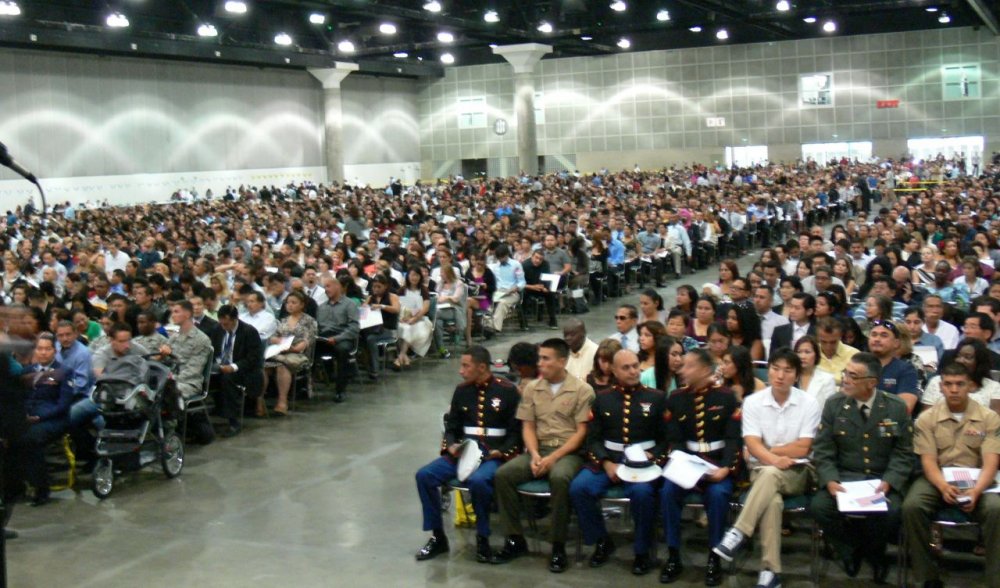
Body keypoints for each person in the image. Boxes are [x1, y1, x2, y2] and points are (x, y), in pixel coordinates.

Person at [713, 348, 822, 588]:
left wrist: (770, 453)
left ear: (796, 375)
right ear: (768, 370)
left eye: (787, 370)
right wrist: (775, 457)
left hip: (798, 471)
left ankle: (739, 531)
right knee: (772, 501)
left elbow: (803, 448)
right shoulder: (753, 401)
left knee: (771, 474)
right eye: (775, 368)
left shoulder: (809, 403)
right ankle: (770, 571)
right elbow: (752, 443)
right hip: (762, 471)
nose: (780, 375)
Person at [492, 338, 595, 573]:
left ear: (562, 361)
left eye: (546, 359)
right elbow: (527, 426)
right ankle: (514, 539)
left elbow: (581, 433)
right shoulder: (532, 388)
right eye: (539, 358)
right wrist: (536, 454)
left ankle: (557, 545)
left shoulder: (581, 390)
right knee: (504, 475)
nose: (540, 363)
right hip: (539, 449)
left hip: (568, 452)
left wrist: (553, 457)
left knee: (559, 478)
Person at [810, 352, 913, 583]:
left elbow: (903, 452)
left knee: (893, 511)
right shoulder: (834, 404)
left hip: (881, 478)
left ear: (872, 382)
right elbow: (824, 449)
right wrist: (830, 480)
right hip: (845, 478)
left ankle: (876, 554)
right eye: (845, 372)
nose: (845, 379)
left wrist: (890, 480)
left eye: (853, 376)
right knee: (819, 507)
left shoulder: (895, 408)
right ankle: (849, 550)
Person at [414, 346, 521, 563]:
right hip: (463, 453)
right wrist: (451, 445)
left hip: (492, 454)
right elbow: (452, 426)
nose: (461, 371)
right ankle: (438, 536)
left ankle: (483, 537)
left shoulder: (507, 391)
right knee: (424, 475)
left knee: (479, 482)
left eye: (466, 366)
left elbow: (515, 432)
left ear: (482, 367)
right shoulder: (462, 391)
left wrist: (502, 451)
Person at [902, 362, 1000, 588]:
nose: (954, 389)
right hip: (937, 477)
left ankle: (995, 580)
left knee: (996, 509)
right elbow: (927, 461)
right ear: (941, 387)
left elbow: (991, 462)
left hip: (977, 478)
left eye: (960, 384)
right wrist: (943, 486)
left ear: (971, 387)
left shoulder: (989, 418)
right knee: (912, 506)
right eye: (948, 384)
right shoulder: (927, 418)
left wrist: (976, 490)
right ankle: (927, 576)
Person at [569, 349, 667, 576]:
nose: (633, 371)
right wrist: (605, 462)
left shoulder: (657, 398)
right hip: (609, 460)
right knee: (579, 488)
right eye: (626, 367)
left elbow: (667, 438)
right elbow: (592, 438)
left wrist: (654, 455)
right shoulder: (602, 398)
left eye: (635, 366)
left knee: (643, 494)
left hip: (642, 463)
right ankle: (601, 540)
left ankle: (642, 550)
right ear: (613, 370)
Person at [660, 349, 742, 586]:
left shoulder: (727, 398)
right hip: (687, 462)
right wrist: (685, 464)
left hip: (717, 462)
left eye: (688, 366)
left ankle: (714, 557)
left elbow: (734, 439)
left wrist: (727, 468)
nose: (681, 370)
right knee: (667, 492)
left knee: (718, 495)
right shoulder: (675, 398)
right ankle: (673, 555)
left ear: (706, 370)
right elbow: (673, 439)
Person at [19, 333, 73, 506]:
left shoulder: (63, 372)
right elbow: (20, 398)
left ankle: (41, 489)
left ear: (54, 351)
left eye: (47, 349)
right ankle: (15, 486)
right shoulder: (26, 372)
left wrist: (40, 416)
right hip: (28, 417)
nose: (43, 353)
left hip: (54, 419)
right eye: (40, 349)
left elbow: (63, 404)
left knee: (31, 439)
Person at [210, 305, 263, 437]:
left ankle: (233, 420)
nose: (224, 327)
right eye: (221, 323)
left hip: (244, 370)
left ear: (235, 320)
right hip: (220, 366)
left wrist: (233, 367)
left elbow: (253, 359)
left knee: (228, 379)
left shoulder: (249, 332)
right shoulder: (217, 329)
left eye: (226, 324)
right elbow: (213, 350)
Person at [261, 292, 316, 416]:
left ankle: (282, 401)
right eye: (288, 302)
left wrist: (294, 348)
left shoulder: (309, 320)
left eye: (293, 303)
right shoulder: (283, 320)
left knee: (281, 365)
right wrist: (279, 341)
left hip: (298, 354)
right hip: (281, 350)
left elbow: (308, 340)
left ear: (302, 305)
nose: (290, 305)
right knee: (263, 366)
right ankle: (259, 400)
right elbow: (273, 337)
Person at [920, 338, 1000, 413]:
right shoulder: (936, 382)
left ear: (979, 361)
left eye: (967, 357)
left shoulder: (993, 387)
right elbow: (926, 417)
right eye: (958, 356)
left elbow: (995, 421)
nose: (961, 360)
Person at [315, 276, 360, 403]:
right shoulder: (322, 307)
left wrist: (337, 338)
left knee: (342, 351)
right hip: (324, 337)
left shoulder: (349, 304)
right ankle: (307, 386)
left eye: (328, 286)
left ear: (337, 287)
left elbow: (354, 328)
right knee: (309, 349)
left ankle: (340, 390)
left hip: (342, 337)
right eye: (324, 287)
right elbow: (318, 326)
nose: (326, 290)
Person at [867, 320, 920, 414]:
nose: (877, 339)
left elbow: (905, 408)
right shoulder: (857, 365)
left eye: (884, 335)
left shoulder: (906, 370)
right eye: (874, 335)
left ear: (896, 343)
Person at [393, 268, 433, 370]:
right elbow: (398, 306)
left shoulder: (423, 290)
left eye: (416, 275)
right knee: (401, 327)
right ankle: (405, 358)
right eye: (412, 275)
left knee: (409, 328)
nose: (414, 278)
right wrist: (402, 317)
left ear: (420, 277)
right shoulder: (402, 290)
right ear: (408, 276)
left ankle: (400, 357)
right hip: (404, 318)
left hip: (420, 319)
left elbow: (425, 308)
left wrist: (415, 318)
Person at [362, 274, 400, 378]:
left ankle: (375, 369)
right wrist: (365, 308)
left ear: (385, 286)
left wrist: (382, 306)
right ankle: (367, 365)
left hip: (388, 329)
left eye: (379, 286)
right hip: (373, 328)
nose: (376, 289)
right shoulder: (370, 298)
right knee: (362, 337)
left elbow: (396, 309)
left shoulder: (392, 297)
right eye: (374, 286)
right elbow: (363, 314)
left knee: (370, 339)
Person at [488, 245, 525, 333]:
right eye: (499, 258)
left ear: (507, 255)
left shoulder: (516, 265)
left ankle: (495, 328)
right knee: (487, 303)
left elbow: (522, 282)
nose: (501, 260)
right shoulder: (495, 266)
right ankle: (487, 326)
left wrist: (516, 287)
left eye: (502, 257)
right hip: (498, 291)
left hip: (512, 292)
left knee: (502, 303)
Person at [521, 248, 559, 330]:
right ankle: (523, 322)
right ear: (532, 257)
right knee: (523, 295)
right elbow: (520, 283)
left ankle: (553, 320)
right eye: (536, 257)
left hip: (540, 287)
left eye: (540, 259)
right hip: (528, 287)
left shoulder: (545, 264)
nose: (537, 260)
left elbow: (547, 278)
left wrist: (546, 287)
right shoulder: (524, 265)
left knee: (551, 294)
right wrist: (532, 287)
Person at [794, 336, 837, 406]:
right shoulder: (790, 377)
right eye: (799, 352)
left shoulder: (827, 379)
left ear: (816, 355)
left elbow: (830, 409)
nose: (802, 356)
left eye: (807, 352)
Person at [563, 318, 598, 383]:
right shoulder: (562, 353)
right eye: (565, 335)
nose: (568, 338)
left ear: (584, 333)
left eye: (572, 335)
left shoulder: (596, 352)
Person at [637, 320, 667, 388]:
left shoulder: (665, 360)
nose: (641, 338)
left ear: (658, 337)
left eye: (647, 335)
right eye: (640, 335)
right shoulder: (637, 358)